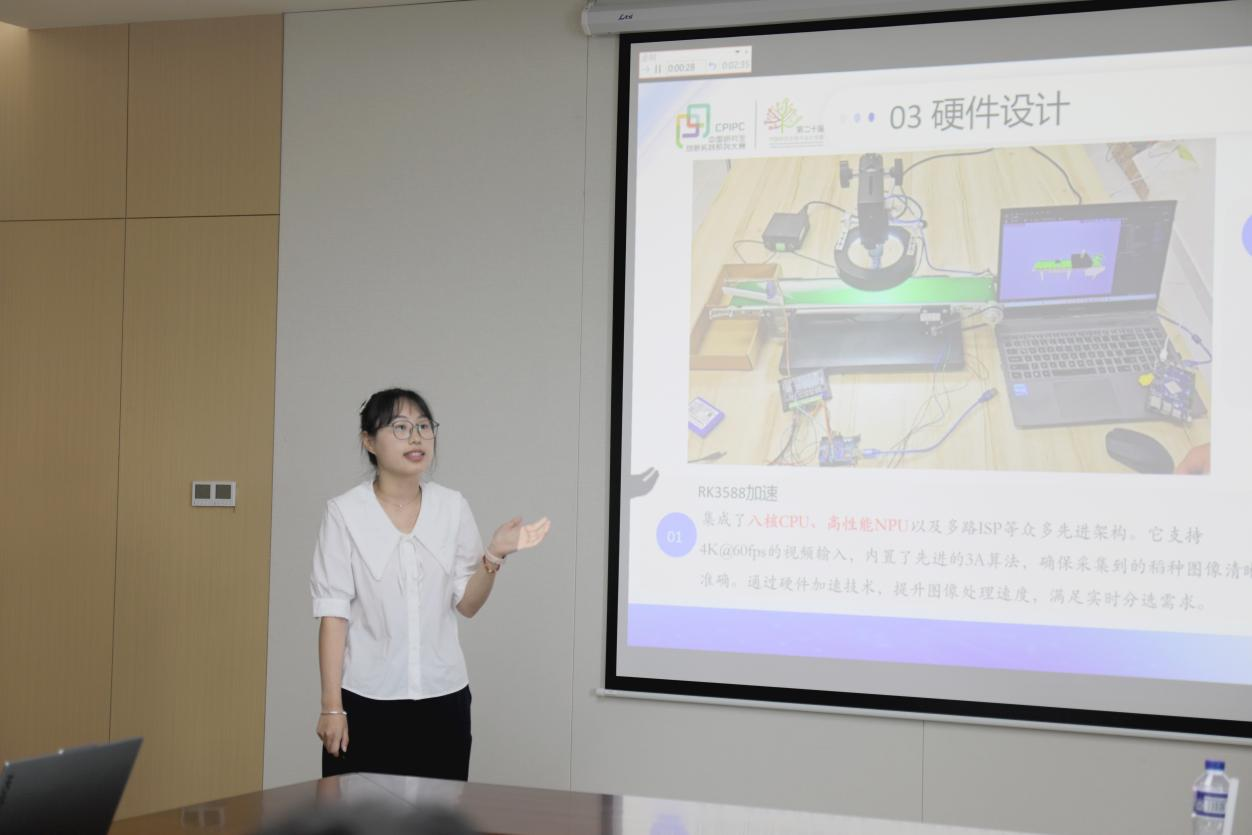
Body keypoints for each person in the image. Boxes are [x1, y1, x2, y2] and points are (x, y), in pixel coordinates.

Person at [310, 388, 550, 780]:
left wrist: (493, 555)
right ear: (368, 441)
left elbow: (467, 605)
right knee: (357, 812)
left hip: (444, 700)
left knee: (440, 812)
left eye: (424, 426)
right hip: (366, 701)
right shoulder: (345, 512)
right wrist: (331, 706)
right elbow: (333, 615)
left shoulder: (452, 506)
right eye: (401, 427)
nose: (417, 437)